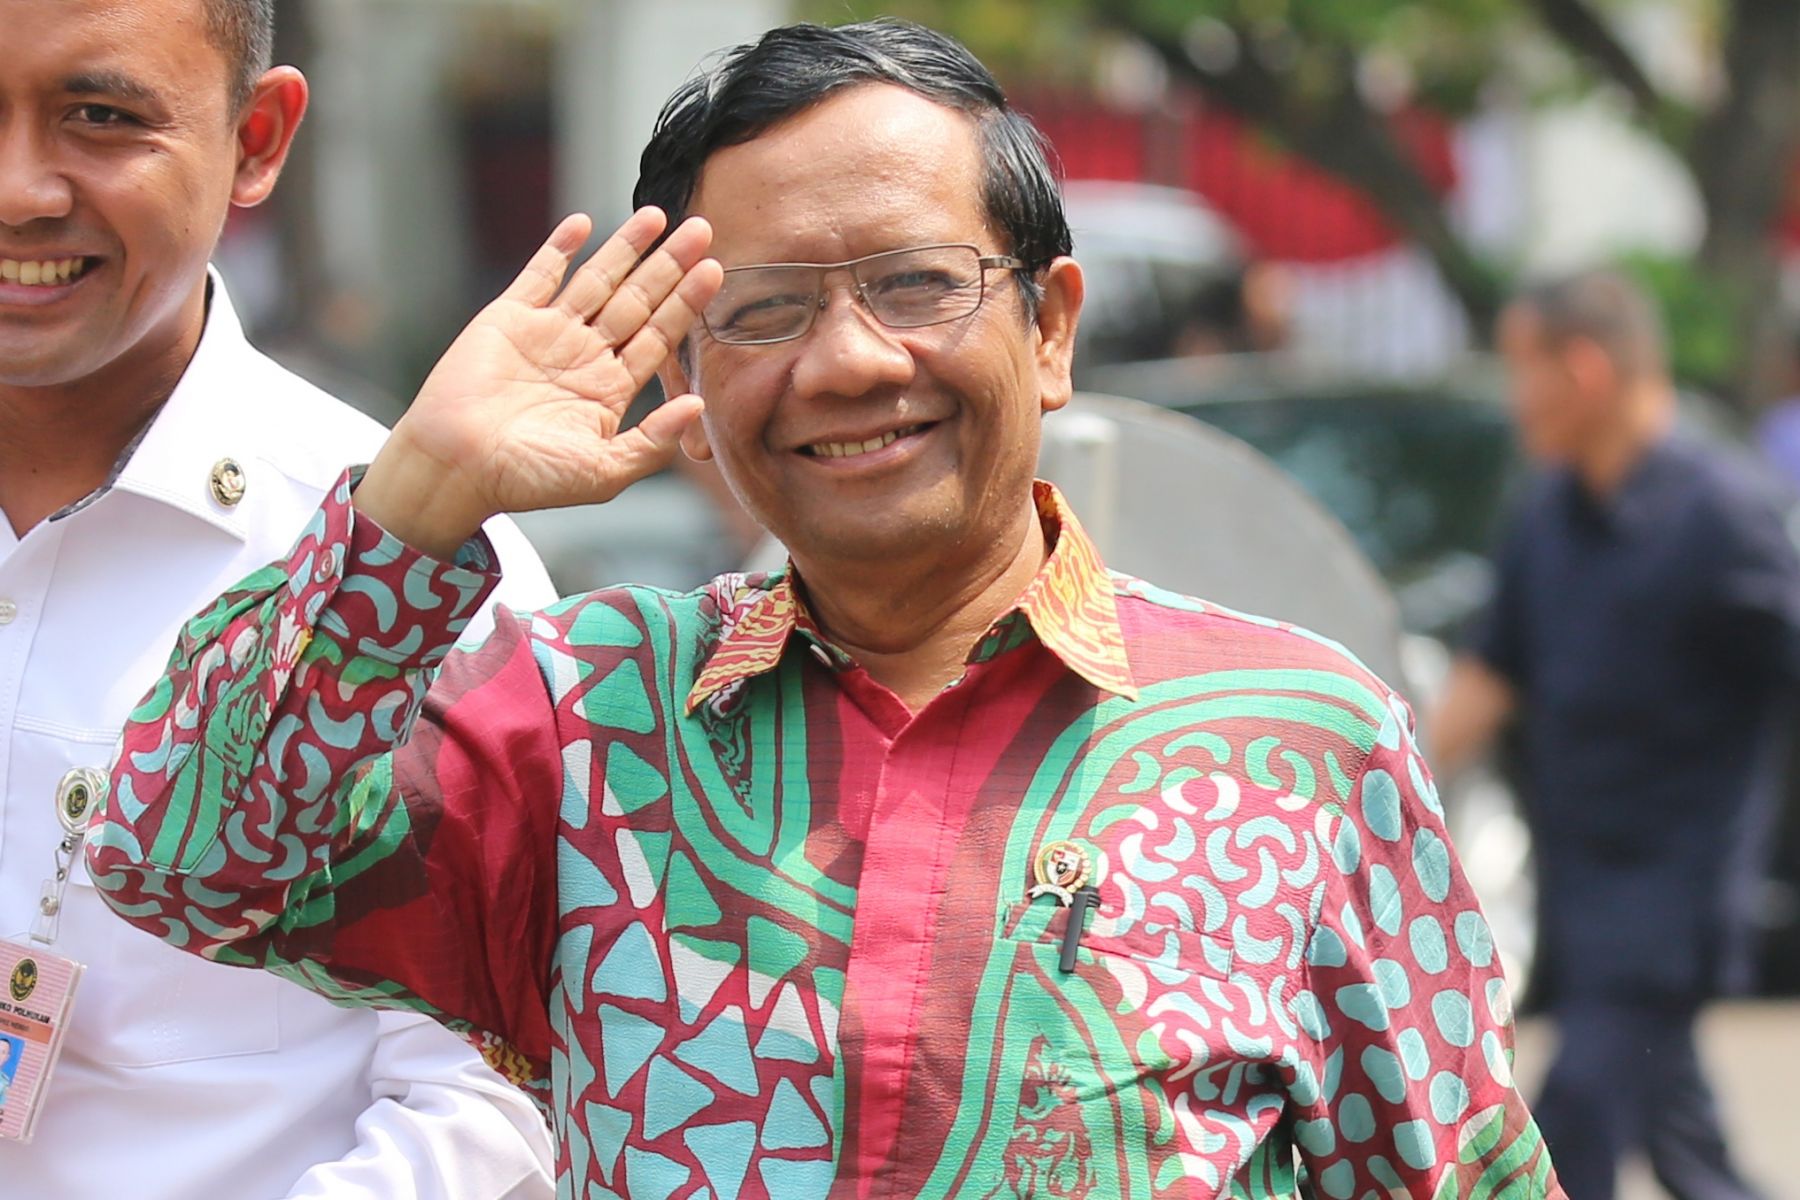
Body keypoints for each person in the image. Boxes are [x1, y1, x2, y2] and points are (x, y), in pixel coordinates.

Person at [90, 20, 1561, 1197]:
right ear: (687, 375)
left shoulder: (1301, 747)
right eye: (767, 308)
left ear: (1050, 328)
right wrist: (413, 500)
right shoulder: (585, 718)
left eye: (916, 285)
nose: (850, 362)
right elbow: (181, 869)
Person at [0, 0, 558, 1195]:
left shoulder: (418, 569)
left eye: (98, 116)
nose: (21, 190)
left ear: (256, 138)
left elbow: (489, 1097)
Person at [1431, 270, 1795, 1200]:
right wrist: (1363, 786)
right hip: (1581, 892)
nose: (1516, 398)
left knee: (1563, 1139)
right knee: (1686, 1152)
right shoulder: (1549, 514)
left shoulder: (1722, 513)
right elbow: (1489, 676)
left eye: (1524, 369)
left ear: (1584, 369)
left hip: (1672, 901)